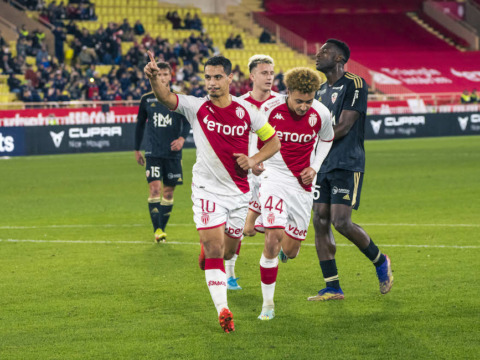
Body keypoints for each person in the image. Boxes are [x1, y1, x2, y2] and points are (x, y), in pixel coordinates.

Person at [144, 52, 281, 333]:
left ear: (230, 78)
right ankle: (223, 310)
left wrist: (254, 160)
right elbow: (166, 97)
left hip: (239, 193)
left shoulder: (247, 112)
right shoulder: (196, 107)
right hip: (207, 190)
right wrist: (155, 79)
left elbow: (274, 141)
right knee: (216, 248)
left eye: (218, 77)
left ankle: (210, 254)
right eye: (207, 77)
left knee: (229, 250)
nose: (212, 82)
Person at [309, 39, 393, 302]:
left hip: (347, 162)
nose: (317, 54)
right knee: (319, 219)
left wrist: (314, 144)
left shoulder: (355, 83)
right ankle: (333, 287)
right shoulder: (319, 91)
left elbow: (344, 126)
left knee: (341, 221)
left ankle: (380, 261)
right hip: (322, 164)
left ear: (338, 58)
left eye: (324, 51)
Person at [255, 67, 334, 320]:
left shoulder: (321, 113)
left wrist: (315, 167)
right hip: (274, 177)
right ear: (288, 92)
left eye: (308, 101)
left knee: (291, 250)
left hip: (302, 184)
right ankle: (268, 305)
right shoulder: (270, 109)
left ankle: (278, 242)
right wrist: (255, 160)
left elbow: (327, 140)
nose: (303, 106)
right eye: (299, 101)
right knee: (272, 237)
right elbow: (251, 132)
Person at [224, 54, 279, 291]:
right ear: (252, 76)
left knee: (277, 227)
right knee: (237, 228)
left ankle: (281, 247)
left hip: (274, 174)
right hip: (245, 173)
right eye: (264, 73)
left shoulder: (282, 103)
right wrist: (251, 160)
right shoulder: (239, 105)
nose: (269, 77)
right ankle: (230, 274)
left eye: (271, 73)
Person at [135, 61, 191, 243]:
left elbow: (188, 122)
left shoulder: (179, 98)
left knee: (168, 193)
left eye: (165, 74)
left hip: (173, 154)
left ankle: (161, 228)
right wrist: (137, 149)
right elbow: (139, 125)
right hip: (153, 152)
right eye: (159, 74)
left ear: (170, 76)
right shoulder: (147, 99)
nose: (162, 77)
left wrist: (182, 138)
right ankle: (157, 230)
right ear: (155, 76)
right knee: (155, 189)